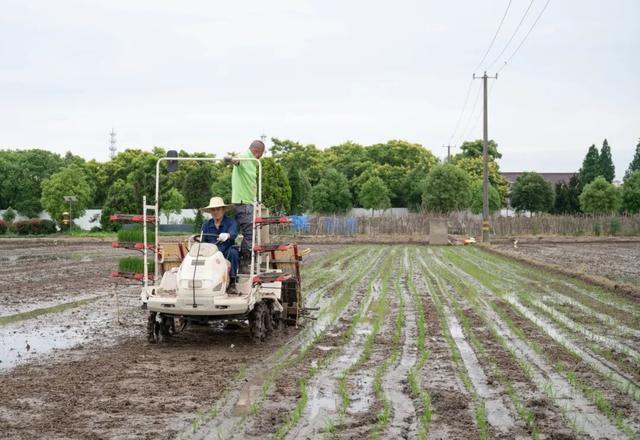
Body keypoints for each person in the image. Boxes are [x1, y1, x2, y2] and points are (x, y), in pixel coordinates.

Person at [225, 140, 265, 266]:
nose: (260, 157)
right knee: (250, 234)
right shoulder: (245, 157)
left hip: (247, 202)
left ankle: (236, 260)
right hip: (244, 204)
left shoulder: (253, 162)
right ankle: (245, 264)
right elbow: (236, 160)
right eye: (261, 154)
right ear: (257, 152)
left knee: (237, 232)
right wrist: (231, 159)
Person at [200, 196, 240, 294]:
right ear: (210, 211)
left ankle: (232, 283)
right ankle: (201, 282)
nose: (216, 212)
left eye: (218, 209)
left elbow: (233, 233)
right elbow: (202, 241)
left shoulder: (231, 222)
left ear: (223, 210)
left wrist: (227, 235)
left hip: (226, 251)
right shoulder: (206, 225)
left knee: (234, 253)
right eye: (213, 210)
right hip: (211, 254)